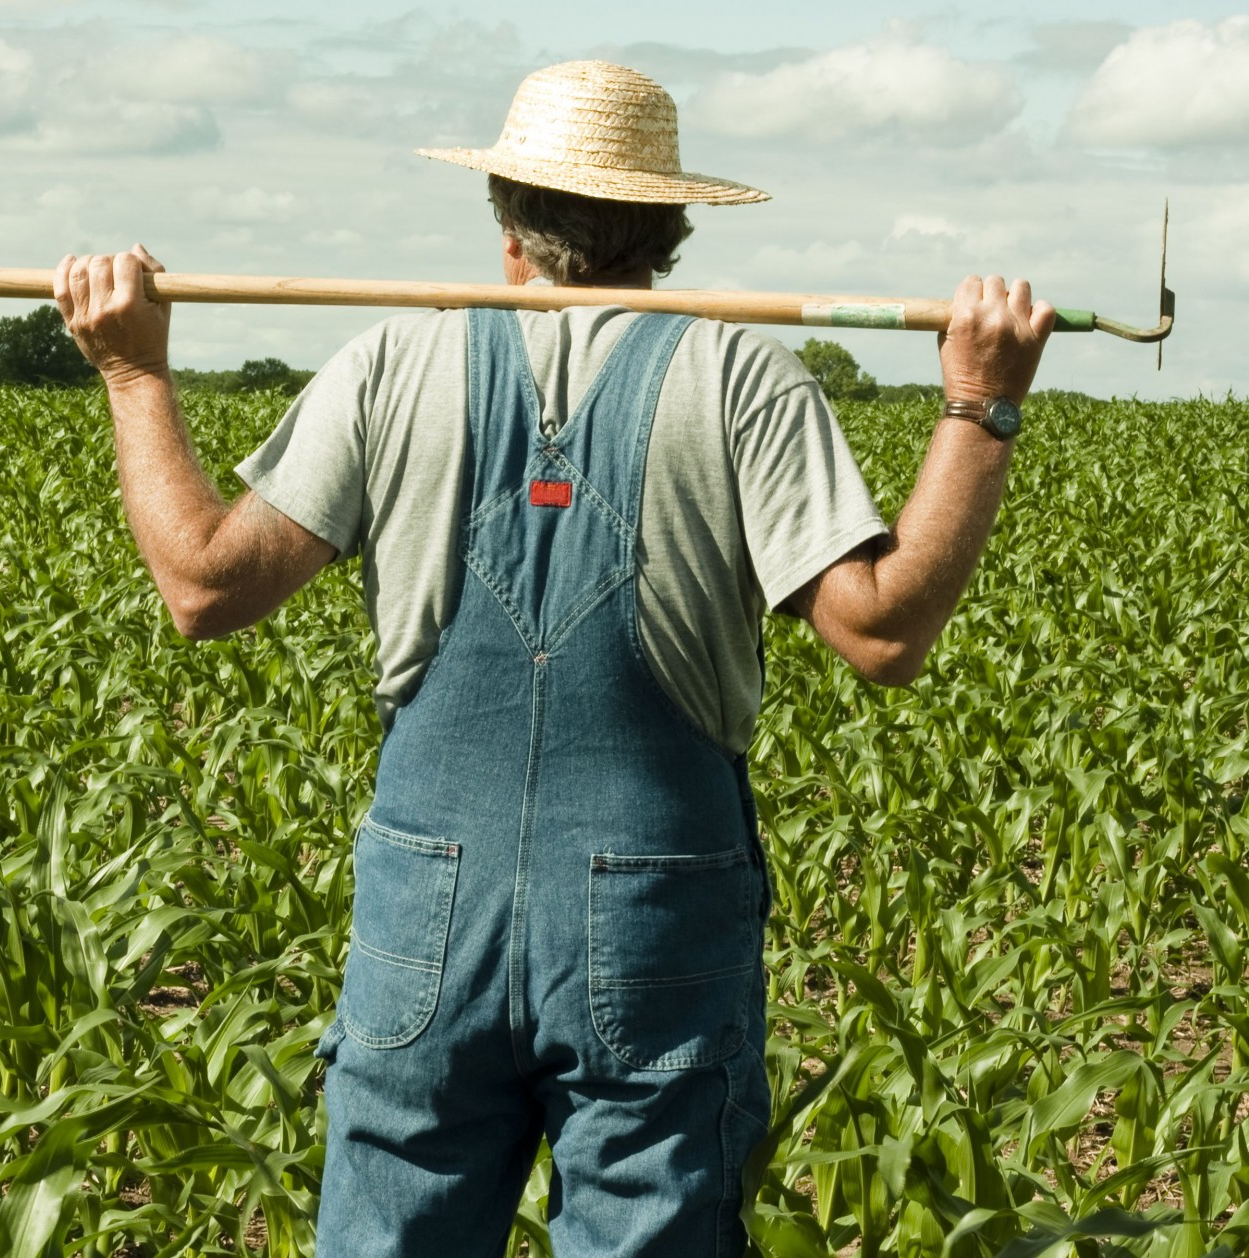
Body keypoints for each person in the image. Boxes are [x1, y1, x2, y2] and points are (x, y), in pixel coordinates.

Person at [53, 58, 1053, 1258]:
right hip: (654, 919)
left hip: (426, 912)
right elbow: (882, 631)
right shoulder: (744, 376)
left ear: (505, 222)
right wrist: (979, 406)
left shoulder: (391, 365)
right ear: (669, 226)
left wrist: (132, 370)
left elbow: (204, 585)